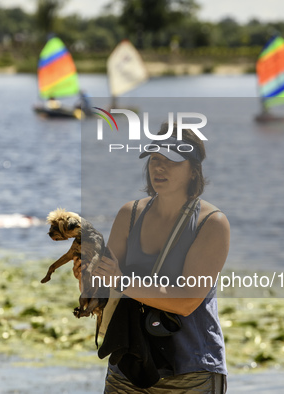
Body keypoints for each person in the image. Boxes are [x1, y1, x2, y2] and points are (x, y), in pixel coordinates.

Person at [74, 125, 229, 393]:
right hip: (128, 364)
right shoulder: (129, 214)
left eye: (171, 161)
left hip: (190, 371)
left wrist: (121, 281)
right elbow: (102, 294)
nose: (160, 168)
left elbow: (187, 301)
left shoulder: (212, 223)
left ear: (193, 170)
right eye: (155, 159)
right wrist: (85, 275)